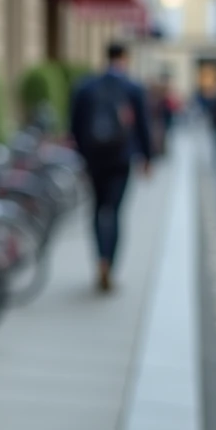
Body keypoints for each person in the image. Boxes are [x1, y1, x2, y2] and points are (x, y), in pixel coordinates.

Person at [69, 42, 153, 293]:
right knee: (114, 212)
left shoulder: (86, 86)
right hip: (121, 158)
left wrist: (82, 155)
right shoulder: (132, 87)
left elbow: (74, 125)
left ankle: (99, 260)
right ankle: (110, 263)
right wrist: (146, 157)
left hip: (94, 158)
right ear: (125, 58)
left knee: (96, 210)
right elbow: (143, 127)